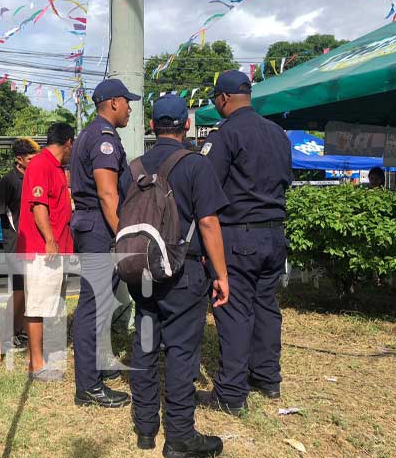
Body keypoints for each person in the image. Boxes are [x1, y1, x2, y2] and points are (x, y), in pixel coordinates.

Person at [120, 95, 230, 457]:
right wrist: (221, 274)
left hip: (142, 274)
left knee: (146, 343)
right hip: (183, 275)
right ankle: (181, 436)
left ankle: (146, 428)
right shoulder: (195, 165)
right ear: (186, 125)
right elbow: (209, 223)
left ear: (152, 125)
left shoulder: (132, 168)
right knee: (182, 351)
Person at [197, 70, 292, 415]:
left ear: (222, 99)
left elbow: (205, 187)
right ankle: (267, 379)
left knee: (234, 310)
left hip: (239, 234)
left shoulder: (225, 135)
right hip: (275, 232)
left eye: (214, 100)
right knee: (266, 306)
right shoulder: (278, 134)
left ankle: (231, 394)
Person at [69, 78, 140, 407]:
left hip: (93, 225)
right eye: (127, 102)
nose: (129, 108)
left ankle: (95, 369)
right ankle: (88, 386)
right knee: (93, 306)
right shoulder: (104, 138)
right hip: (100, 227)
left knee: (98, 304)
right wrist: (123, 237)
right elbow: (107, 193)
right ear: (113, 102)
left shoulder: (90, 133)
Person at [17, 124, 75, 381]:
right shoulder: (41, 164)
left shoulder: (56, 168)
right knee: (38, 305)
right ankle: (36, 364)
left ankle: (42, 357)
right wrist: (50, 240)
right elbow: (38, 205)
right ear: (68, 143)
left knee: (49, 303)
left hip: (55, 248)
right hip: (42, 249)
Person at [0, 138, 40, 346]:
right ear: (19, 159)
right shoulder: (9, 181)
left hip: (34, 241)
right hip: (15, 242)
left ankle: (23, 329)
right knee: (19, 289)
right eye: (31, 159)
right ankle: (10, 333)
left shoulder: (36, 177)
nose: (34, 162)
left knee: (32, 288)